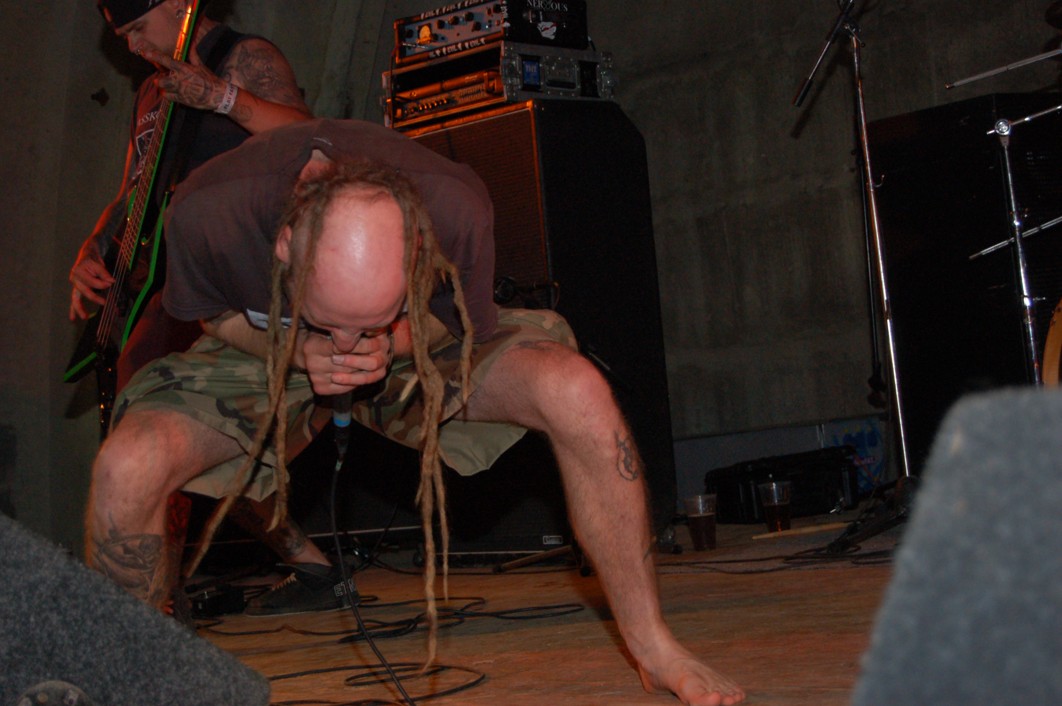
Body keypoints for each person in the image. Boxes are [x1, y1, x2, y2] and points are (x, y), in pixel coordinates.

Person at [85, 119, 747, 705]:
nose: (349, 345)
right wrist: (300, 348)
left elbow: (458, 322)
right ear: (284, 245)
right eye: (334, 319)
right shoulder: (207, 212)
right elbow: (211, 315)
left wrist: (392, 340)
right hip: (266, 345)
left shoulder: (455, 205)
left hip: (416, 345)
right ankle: (125, 684)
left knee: (576, 390)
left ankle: (654, 645)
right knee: (127, 464)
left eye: (369, 319)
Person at [68, 0, 349, 617]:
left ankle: (157, 607)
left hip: (235, 272)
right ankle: (309, 566)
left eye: (138, 28)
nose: (133, 46)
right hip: (170, 278)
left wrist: (222, 97)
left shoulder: (244, 56)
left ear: (177, 3)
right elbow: (136, 188)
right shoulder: (150, 90)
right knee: (179, 434)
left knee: (177, 428)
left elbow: (307, 135)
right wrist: (96, 244)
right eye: (121, 36)